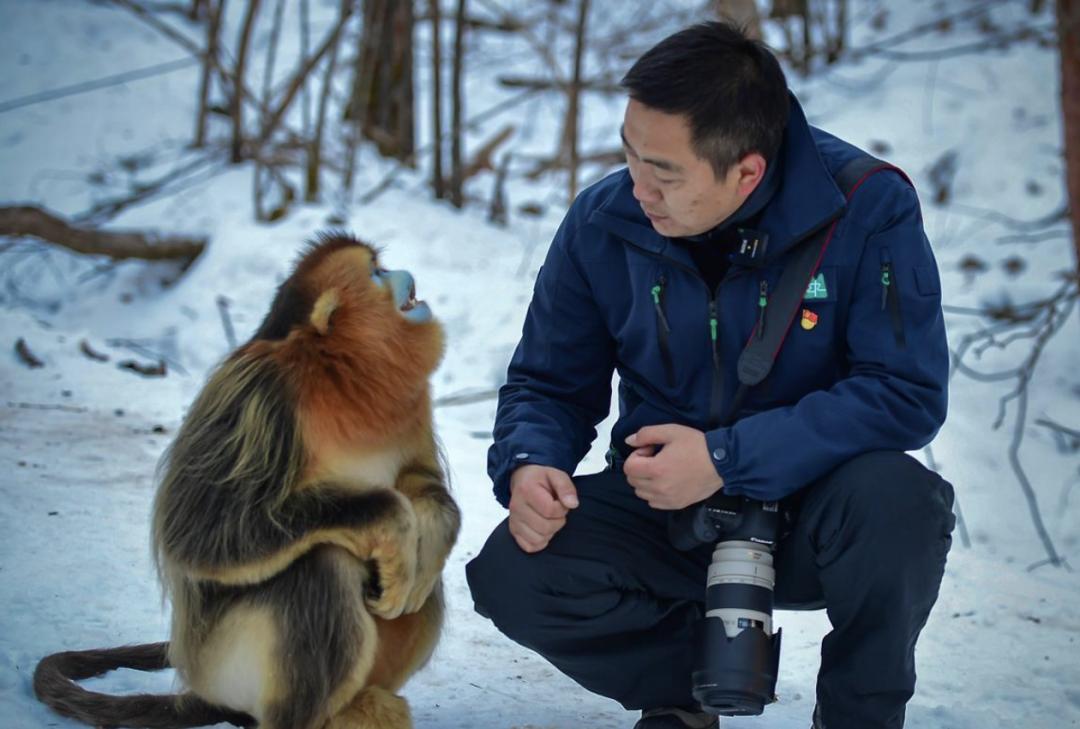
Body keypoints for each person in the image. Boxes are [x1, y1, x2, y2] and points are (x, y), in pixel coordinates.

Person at [465, 21, 956, 729]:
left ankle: (858, 715)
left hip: (816, 510)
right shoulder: (604, 219)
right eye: (630, 156)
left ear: (746, 171)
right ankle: (687, 688)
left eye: (663, 172)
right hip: (667, 505)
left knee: (901, 504)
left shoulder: (868, 207)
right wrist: (529, 460)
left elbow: (905, 392)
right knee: (514, 572)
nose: (636, 188)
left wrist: (728, 458)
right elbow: (548, 383)